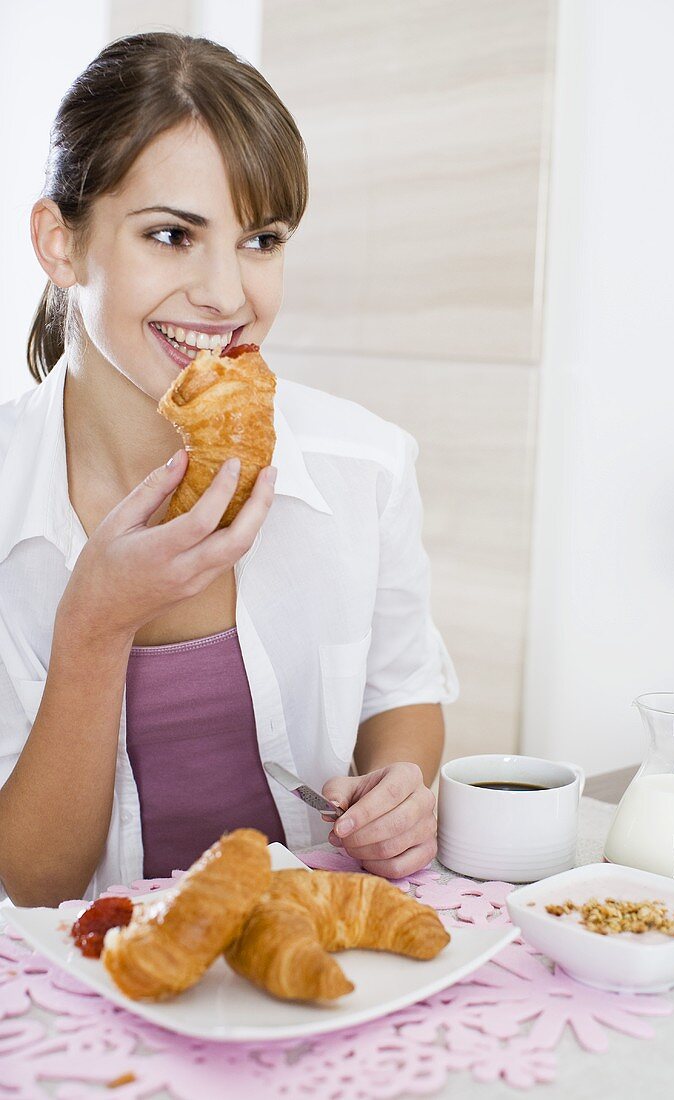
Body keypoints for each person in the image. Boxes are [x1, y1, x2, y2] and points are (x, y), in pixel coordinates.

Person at [0, 32, 458, 907]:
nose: (227, 295)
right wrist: (94, 625)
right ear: (61, 243)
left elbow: (401, 694)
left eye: (261, 240)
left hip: (308, 961)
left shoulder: (364, 467)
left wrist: (399, 787)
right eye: (172, 235)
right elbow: (33, 882)